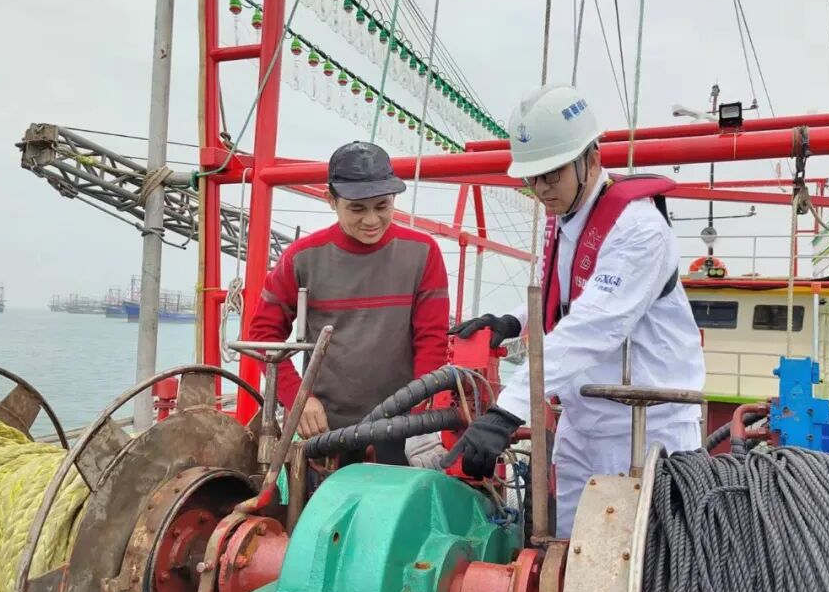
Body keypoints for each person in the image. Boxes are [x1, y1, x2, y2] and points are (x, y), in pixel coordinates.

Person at [445, 84, 706, 538]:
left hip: (644, 431)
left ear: (592, 158)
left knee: (641, 561)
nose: (542, 189)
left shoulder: (639, 231)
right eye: (533, 178)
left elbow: (593, 326)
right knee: (567, 551)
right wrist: (513, 321)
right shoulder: (567, 218)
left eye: (553, 174)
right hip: (583, 422)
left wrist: (508, 410)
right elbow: (563, 298)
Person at [249, 141, 450, 468]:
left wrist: (421, 421)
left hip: (401, 428)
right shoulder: (301, 258)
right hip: (326, 430)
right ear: (331, 200)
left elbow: (432, 341)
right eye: (357, 209)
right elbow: (262, 335)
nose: (372, 220)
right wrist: (299, 399)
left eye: (382, 206)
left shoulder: (423, 253)